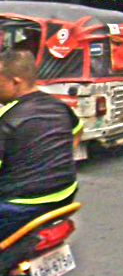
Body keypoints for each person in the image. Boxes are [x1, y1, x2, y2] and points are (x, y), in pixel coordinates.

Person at [0, 49, 81, 243]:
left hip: (20, 206)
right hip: (64, 195)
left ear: (16, 82)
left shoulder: (7, 118)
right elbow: (77, 131)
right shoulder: (58, 106)